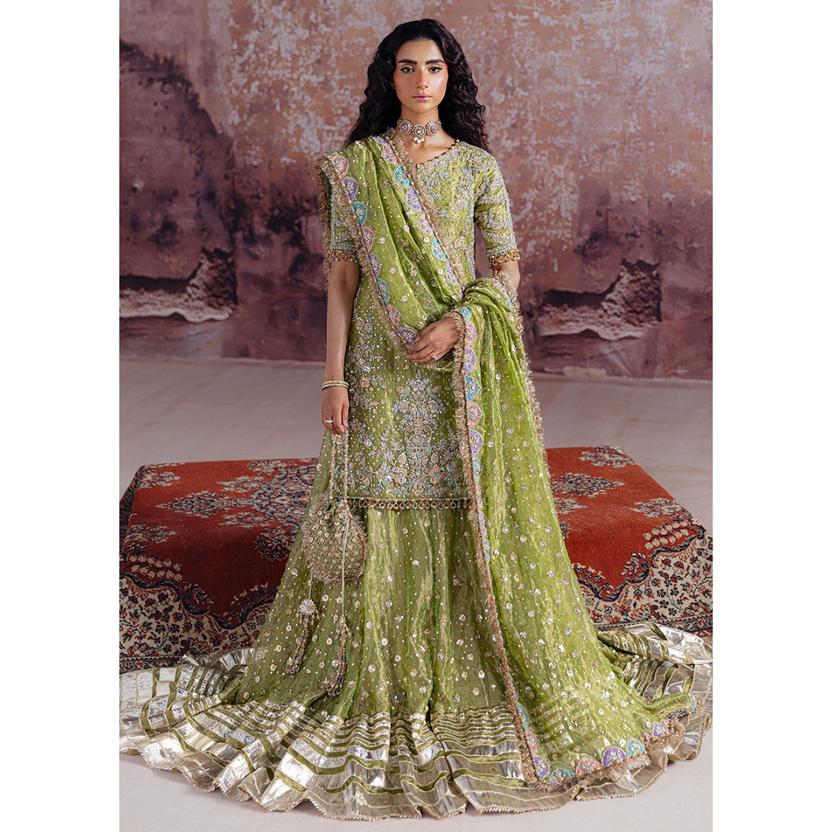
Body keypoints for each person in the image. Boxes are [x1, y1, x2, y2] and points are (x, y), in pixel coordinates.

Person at [120, 19, 711, 819]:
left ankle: (466, 662)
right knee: (376, 500)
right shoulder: (358, 167)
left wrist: (462, 323)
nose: (422, 81)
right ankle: (376, 669)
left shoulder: (476, 168)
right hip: (377, 363)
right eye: (408, 68)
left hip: (452, 369)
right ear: (389, 78)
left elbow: (506, 269)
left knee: (453, 499)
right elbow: (341, 279)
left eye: (434, 68)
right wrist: (332, 377)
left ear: (449, 78)